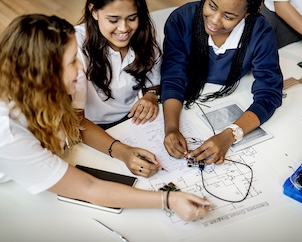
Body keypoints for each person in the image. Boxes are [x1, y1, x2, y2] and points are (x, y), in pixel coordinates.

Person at [0, 14, 210, 221]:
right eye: (72, 61)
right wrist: (169, 200)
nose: (81, 67)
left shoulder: (56, 84)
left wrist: (122, 151)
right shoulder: (7, 132)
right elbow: (88, 187)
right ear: (44, 72)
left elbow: (76, 121)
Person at [161, 0, 283, 164]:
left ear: (247, 14)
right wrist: (171, 128)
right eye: (211, 6)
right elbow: (173, 77)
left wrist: (230, 135)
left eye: (228, 16)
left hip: (235, 94)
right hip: (188, 101)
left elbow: (269, 93)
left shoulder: (260, 32)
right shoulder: (181, 19)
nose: (214, 20)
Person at [72, 0, 163, 178]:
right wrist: (122, 152)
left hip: (132, 122)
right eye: (113, 20)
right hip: (91, 130)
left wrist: (151, 95)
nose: (123, 29)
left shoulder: (145, 35)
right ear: (94, 11)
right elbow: (76, 121)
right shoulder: (75, 46)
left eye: (132, 18)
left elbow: (154, 79)